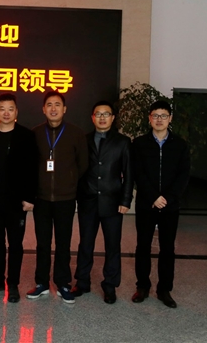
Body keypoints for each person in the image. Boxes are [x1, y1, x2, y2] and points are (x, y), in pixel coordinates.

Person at [27, 90, 88, 304]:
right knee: (42, 243)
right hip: (42, 198)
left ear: (64, 109)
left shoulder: (76, 133)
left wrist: (69, 182)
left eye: (57, 105)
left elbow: (82, 165)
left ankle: (62, 283)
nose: (53, 109)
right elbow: (30, 165)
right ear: (43, 109)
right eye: (49, 105)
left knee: (63, 242)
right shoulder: (35, 133)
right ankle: (42, 283)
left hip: (65, 198)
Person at [72, 101, 133, 304]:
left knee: (112, 245)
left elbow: (129, 174)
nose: (102, 117)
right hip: (88, 201)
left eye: (106, 114)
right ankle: (82, 282)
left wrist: (126, 200)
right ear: (92, 117)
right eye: (98, 114)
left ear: (112, 118)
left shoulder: (123, 142)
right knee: (85, 244)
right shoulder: (84, 140)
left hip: (113, 202)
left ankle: (110, 285)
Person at [131, 100, 190, 308]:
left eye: (163, 116)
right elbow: (138, 173)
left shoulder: (180, 145)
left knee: (167, 248)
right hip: (146, 204)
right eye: (155, 115)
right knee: (143, 246)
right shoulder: (139, 143)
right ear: (149, 118)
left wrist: (168, 198)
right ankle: (142, 286)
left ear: (170, 118)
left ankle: (164, 289)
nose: (159, 119)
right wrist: (153, 197)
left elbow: (183, 175)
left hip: (170, 206)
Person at [0, 93, 38, 303]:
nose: (6, 113)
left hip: (16, 202)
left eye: (10, 109)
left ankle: (13, 283)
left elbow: (33, 168)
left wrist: (29, 197)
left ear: (16, 112)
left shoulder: (26, 135)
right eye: (2, 109)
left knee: (15, 244)